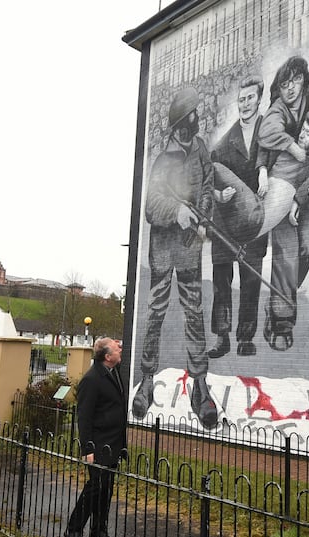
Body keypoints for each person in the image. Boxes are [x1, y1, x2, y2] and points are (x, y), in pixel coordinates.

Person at [131, 87, 218, 429]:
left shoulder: (200, 150)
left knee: (194, 314)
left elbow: (208, 188)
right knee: (155, 314)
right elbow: (151, 205)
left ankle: (199, 384)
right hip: (164, 252)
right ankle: (147, 379)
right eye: (193, 115)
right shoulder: (162, 159)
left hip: (190, 250)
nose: (198, 119)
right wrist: (177, 211)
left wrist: (203, 219)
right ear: (183, 122)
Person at [256, 56, 309, 351]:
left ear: (303, 80)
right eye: (284, 84)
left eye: (295, 81)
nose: (291, 88)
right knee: (286, 253)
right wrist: (292, 145)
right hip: (281, 189)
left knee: (308, 248)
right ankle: (281, 323)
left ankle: (281, 299)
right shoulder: (277, 110)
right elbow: (266, 133)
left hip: (306, 189)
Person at [208, 76, 269, 358]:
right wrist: (219, 197)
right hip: (224, 219)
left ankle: (246, 337)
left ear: (260, 99)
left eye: (250, 98)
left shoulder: (269, 131)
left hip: (255, 218)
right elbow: (206, 179)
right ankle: (222, 337)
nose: (245, 104)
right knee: (222, 279)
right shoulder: (222, 144)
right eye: (241, 99)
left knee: (251, 278)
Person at [63, 338, 126, 537]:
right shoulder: (92, 379)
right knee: (96, 487)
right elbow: (85, 417)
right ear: (107, 356)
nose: (120, 348)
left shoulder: (114, 372)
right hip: (98, 445)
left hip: (113, 444)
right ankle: (73, 529)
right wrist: (87, 448)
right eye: (117, 347)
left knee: (106, 490)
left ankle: (98, 532)